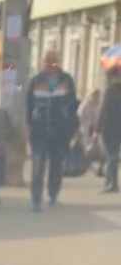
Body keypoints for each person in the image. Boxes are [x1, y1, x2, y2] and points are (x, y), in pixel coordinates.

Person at [26, 51, 79, 211]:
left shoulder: (66, 80)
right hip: (39, 131)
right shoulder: (36, 80)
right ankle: (36, 200)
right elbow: (29, 105)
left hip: (60, 131)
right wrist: (29, 124)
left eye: (53, 61)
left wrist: (72, 126)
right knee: (38, 168)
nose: (49, 65)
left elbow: (72, 105)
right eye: (46, 62)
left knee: (56, 167)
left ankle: (53, 196)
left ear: (58, 62)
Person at [97, 66, 121, 192]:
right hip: (117, 126)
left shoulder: (109, 90)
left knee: (110, 155)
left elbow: (103, 109)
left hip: (109, 126)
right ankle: (110, 182)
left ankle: (111, 183)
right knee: (113, 155)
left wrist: (97, 128)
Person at [78, 89, 104, 176]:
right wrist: (83, 126)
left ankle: (97, 167)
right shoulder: (86, 103)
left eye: (97, 95)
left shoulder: (99, 104)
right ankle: (87, 163)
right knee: (88, 147)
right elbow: (80, 116)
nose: (96, 97)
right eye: (94, 95)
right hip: (86, 128)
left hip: (96, 128)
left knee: (97, 147)